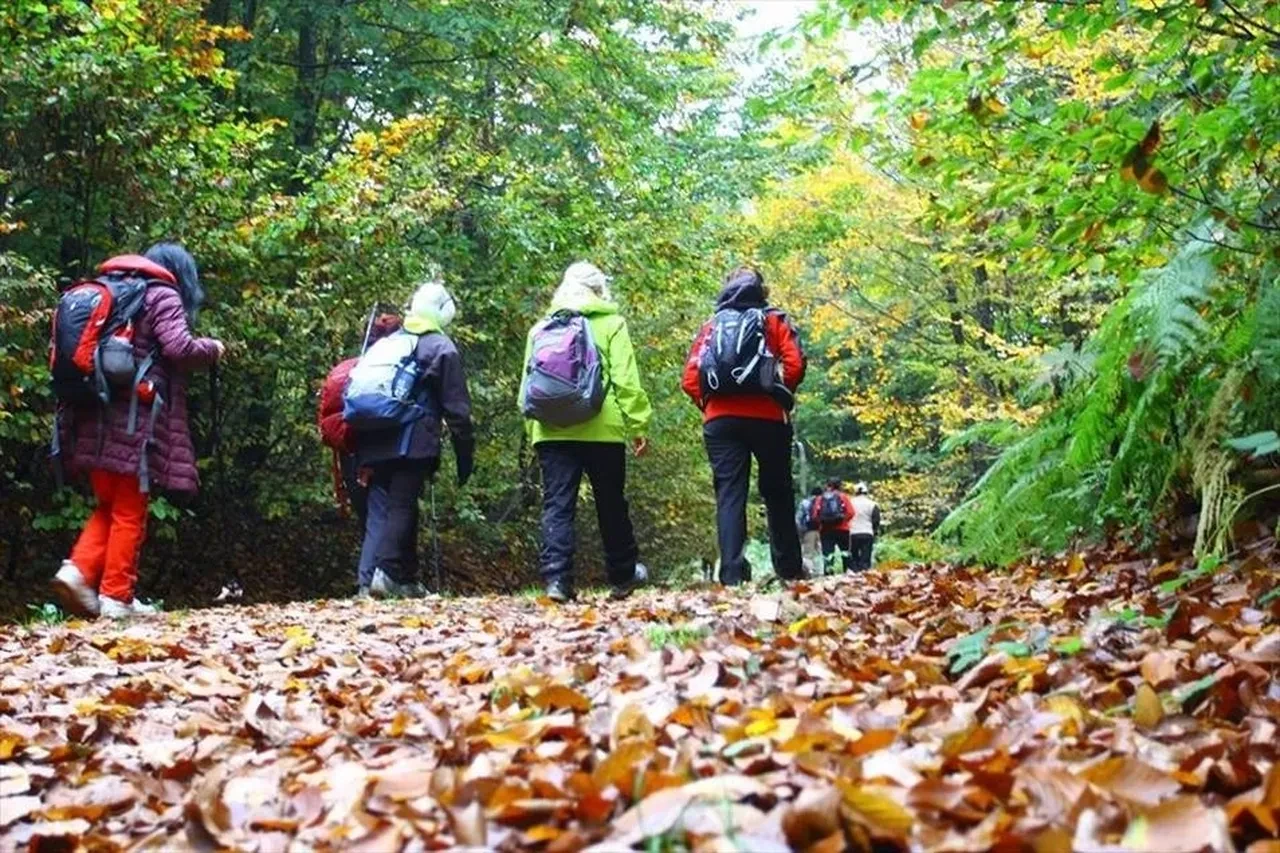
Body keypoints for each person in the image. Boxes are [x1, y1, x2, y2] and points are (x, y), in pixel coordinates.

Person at [50, 243, 225, 619]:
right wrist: (212, 348)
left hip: (91, 414)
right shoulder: (161, 294)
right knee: (131, 510)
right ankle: (117, 596)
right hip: (134, 420)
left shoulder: (110, 289)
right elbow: (179, 348)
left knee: (109, 504)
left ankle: (77, 571)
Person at [521, 261, 652, 603]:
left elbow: (527, 386)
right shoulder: (611, 324)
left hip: (551, 429)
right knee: (611, 503)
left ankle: (557, 581)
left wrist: (534, 428)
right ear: (598, 290)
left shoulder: (540, 328)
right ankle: (623, 574)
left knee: (557, 505)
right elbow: (625, 380)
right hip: (602, 429)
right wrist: (638, 425)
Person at [682, 266, 806, 585]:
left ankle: (731, 575)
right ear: (762, 290)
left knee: (730, 493)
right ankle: (789, 569)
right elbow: (795, 363)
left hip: (720, 421)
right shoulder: (774, 319)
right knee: (778, 491)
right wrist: (780, 394)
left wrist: (710, 405)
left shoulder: (712, 325)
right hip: (769, 418)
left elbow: (690, 379)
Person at [353, 278, 473, 599]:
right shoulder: (440, 347)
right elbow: (457, 409)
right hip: (413, 439)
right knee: (402, 504)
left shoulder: (391, 342)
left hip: (375, 436)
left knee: (391, 507)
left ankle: (404, 578)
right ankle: (386, 573)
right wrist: (465, 455)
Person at [318, 313, 402, 597]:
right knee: (379, 515)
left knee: (368, 517)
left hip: (348, 450)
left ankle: (373, 579)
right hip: (373, 450)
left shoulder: (352, 368)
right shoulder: (388, 369)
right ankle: (370, 581)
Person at [813, 477, 855, 574]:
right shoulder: (843, 497)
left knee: (828, 555)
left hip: (825, 530)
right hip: (843, 530)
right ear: (839, 486)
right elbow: (851, 512)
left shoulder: (820, 498)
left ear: (828, 485)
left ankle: (829, 575)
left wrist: (823, 522)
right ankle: (848, 574)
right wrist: (842, 521)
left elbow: (815, 516)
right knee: (845, 553)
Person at [849, 481, 882, 571]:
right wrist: (874, 531)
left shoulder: (850, 502)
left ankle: (855, 572)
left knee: (854, 556)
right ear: (866, 492)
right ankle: (865, 573)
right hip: (867, 533)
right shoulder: (872, 504)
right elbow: (876, 520)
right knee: (865, 557)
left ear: (855, 492)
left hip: (853, 533)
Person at [796, 486, 823, 576]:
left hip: (809, 530)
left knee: (808, 553)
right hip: (823, 530)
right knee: (820, 551)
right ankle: (821, 571)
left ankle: (810, 572)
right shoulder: (824, 501)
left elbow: (798, 519)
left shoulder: (805, 503)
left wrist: (800, 532)